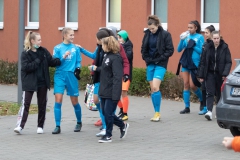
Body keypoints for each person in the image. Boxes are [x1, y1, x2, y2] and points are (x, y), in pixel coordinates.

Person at [75, 27, 130, 137]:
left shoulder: (115, 48)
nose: (96, 41)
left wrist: (126, 74)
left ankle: (107, 128)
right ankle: (109, 123)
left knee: (107, 107)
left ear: (102, 39)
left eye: (97, 38)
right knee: (98, 102)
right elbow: (95, 57)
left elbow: (124, 61)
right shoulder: (100, 47)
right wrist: (83, 51)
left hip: (108, 79)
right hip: (100, 77)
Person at [14, 31, 61, 134]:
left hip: (42, 82)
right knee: (26, 104)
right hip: (29, 82)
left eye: (40, 40)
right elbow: (26, 67)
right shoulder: (25, 53)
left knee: (42, 104)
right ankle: (20, 126)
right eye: (39, 40)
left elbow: (51, 61)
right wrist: (38, 60)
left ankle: (40, 126)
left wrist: (62, 58)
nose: (41, 42)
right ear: (32, 41)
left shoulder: (43, 51)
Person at [96, 36, 129, 143]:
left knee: (109, 114)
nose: (102, 46)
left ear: (108, 45)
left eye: (103, 44)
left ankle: (108, 135)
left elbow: (117, 76)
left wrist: (116, 94)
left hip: (111, 90)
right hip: (104, 89)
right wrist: (96, 69)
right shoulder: (107, 56)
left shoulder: (116, 58)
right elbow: (105, 70)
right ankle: (122, 125)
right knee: (106, 113)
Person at [141, 15, 174, 122]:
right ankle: (155, 111)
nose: (151, 31)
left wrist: (160, 58)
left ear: (158, 25)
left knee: (155, 87)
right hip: (150, 63)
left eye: (153, 29)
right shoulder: (147, 34)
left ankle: (157, 113)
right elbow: (143, 49)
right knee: (152, 90)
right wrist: (146, 58)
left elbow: (170, 50)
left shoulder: (166, 34)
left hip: (160, 63)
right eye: (150, 29)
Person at [52, 27, 82, 134]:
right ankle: (57, 125)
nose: (73, 37)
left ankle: (79, 122)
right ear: (64, 35)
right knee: (58, 99)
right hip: (60, 75)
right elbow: (55, 62)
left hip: (71, 76)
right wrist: (63, 57)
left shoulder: (76, 48)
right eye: (71, 35)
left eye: (73, 35)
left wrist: (78, 68)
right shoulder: (57, 48)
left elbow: (78, 61)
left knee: (74, 101)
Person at [198, 31, 232, 120]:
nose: (216, 40)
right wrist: (201, 75)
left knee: (219, 93)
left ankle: (218, 111)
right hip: (209, 73)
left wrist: (225, 73)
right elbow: (203, 62)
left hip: (220, 74)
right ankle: (209, 111)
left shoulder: (225, 47)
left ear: (220, 38)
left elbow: (228, 62)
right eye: (214, 38)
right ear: (212, 38)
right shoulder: (207, 47)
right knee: (210, 92)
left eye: (217, 38)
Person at [177, 20, 204, 114]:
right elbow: (179, 49)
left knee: (193, 85)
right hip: (186, 63)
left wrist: (193, 46)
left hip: (195, 63)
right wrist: (181, 39)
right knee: (186, 84)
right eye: (188, 27)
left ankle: (202, 99)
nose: (189, 29)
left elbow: (202, 51)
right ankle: (187, 107)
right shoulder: (186, 36)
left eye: (191, 28)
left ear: (196, 28)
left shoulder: (200, 37)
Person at [198, 25, 215, 115]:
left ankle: (214, 110)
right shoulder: (205, 44)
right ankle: (206, 107)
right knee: (204, 89)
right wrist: (200, 73)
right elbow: (202, 60)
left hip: (213, 72)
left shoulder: (215, 44)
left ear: (212, 34)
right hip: (205, 71)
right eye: (204, 32)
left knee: (213, 91)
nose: (205, 34)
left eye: (207, 32)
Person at [116, 30, 133, 121]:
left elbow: (127, 57)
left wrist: (121, 48)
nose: (118, 39)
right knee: (115, 93)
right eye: (117, 38)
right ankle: (121, 109)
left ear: (124, 38)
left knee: (124, 92)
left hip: (126, 74)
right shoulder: (118, 46)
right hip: (118, 73)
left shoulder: (128, 47)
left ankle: (125, 113)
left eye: (120, 37)